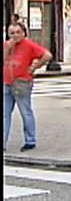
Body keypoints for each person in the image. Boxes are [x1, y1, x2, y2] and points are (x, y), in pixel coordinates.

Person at [3, 21, 53, 152]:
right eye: (12, 33)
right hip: (6, 82)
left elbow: (47, 55)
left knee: (25, 112)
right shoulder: (6, 45)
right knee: (5, 113)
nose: (15, 36)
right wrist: (8, 47)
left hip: (22, 82)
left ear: (24, 33)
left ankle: (30, 140)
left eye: (18, 33)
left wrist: (35, 66)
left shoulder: (29, 45)